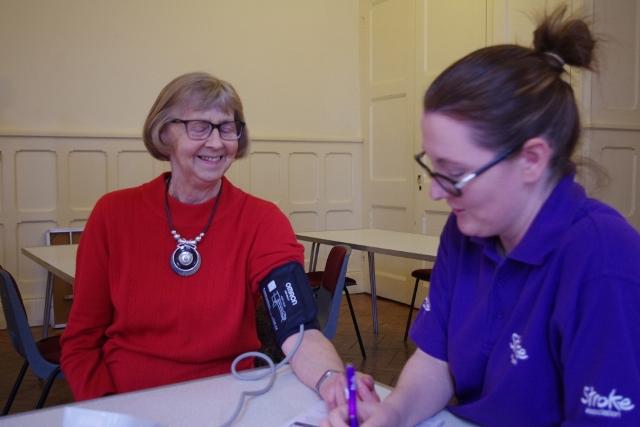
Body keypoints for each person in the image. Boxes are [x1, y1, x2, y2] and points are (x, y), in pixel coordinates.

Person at [324, 7, 640, 427]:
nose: (437, 191)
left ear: (531, 159)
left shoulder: (603, 257)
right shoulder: (466, 230)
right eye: (432, 166)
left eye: (454, 173)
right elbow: (437, 360)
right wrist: (393, 414)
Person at [60, 72, 379, 409]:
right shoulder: (113, 214)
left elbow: (296, 323)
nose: (216, 142)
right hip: (126, 401)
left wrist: (331, 379)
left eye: (227, 127)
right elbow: (82, 340)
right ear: (164, 132)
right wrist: (108, 410)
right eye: (199, 126)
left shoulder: (262, 220)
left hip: (228, 400)